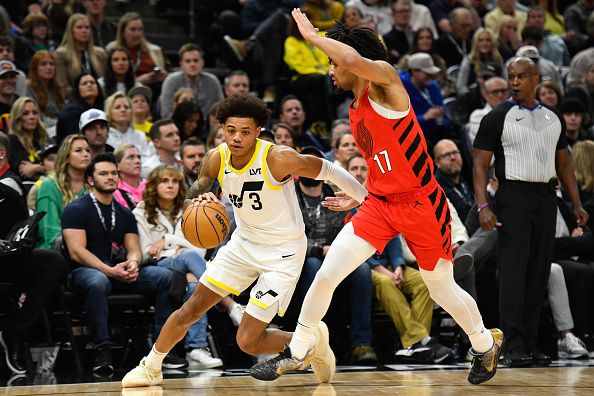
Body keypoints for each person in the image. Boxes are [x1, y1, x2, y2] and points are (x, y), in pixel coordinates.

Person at [252, 10, 503, 386]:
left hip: (421, 204)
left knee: (441, 288)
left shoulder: (386, 82)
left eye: (333, 62)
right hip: (381, 205)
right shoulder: (353, 107)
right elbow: (382, 163)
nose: (332, 70)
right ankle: (299, 351)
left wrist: (312, 36)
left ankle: (484, 344)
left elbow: (354, 59)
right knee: (327, 273)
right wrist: (363, 195)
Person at [121, 92, 367, 388]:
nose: (237, 137)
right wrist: (197, 201)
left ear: (257, 132)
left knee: (248, 341)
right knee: (192, 307)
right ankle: (151, 366)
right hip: (243, 244)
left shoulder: (277, 157)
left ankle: (308, 341)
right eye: (230, 130)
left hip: (283, 253)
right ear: (222, 128)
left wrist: (361, 197)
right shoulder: (216, 158)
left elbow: (326, 168)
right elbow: (193, 193)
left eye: (245, 131)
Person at [472, 57, 588, 367]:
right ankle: (512, 344)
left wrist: (576, 204)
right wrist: (483, 204)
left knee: (538, 271)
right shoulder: (498, 117)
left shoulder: (553, 118)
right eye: (511, 76)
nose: (514, 82)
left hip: (546, 198)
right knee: (513, 272)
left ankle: (533, 342)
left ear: (535, 78)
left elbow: (564, 164)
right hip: (513, 197)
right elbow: (480, 165)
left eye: (521, 76)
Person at [62, 153, 185, 373]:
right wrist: (109, 270)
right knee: (98, 281)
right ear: (91, 180)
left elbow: (134, 248)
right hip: (86, 271)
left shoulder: (124, 212)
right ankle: (103, 350)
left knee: (165, 277)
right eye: (103, 174)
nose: (110, 177)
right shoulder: (76, 209)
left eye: (113, 173)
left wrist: (133, 264)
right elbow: (76, 251)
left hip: (117, 271)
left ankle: (162, 350)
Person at [133, 165, 223, 368]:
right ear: (153, 186)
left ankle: (196, 349)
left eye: (175, 181)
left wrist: (166, 240)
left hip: (187, 270)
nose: (170, 185)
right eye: (164, 181)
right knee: (188, 260)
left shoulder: (190, 211)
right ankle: (228, 303)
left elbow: (200, 249)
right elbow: (145, 251)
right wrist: (178, 247)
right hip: (154, 267)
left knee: (194, 287)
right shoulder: (140, 212)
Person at [0, 182, 66, 375]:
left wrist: (24, 243)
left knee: (52, 261)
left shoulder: (10, 196)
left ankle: (16, 333)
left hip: (5, 263)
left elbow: (25, 231)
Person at [35, 135, 90, 249]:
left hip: (93, 251)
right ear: (66, 157)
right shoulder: (49, 186)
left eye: (88, 150)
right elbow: (50, 233)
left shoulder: (95, 185)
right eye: (78, 150)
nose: (85, 154)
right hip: (57, 254)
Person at [159, 43, 223, 119]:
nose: (192, 64)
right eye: (188, 61)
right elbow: (166, 113)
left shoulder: (212, 81)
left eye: (196, 60)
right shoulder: (171, 80)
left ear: (202, 62)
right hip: (178, 126)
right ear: (181, 64)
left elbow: (221, 110)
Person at [106, 12, 166, 87]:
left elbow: (169, 72)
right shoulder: (112, 49)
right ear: (123, 31)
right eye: (133, 30)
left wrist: (163, 74)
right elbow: (107, 78)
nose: (137, 34)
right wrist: (138, 81)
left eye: (140, 29)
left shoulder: (155, 50)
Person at [53, 13, 106, 98]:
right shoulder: (61, 54)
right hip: (73, 101)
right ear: (71, 31)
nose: (84, 31)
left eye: (87, 27)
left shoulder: (100, 53)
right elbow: (62, 88)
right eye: (79, 27)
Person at [7, 96, 48, 188]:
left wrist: (38, 168)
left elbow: (57, 166)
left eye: (35, 113)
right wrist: (46, 168)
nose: (31, 117)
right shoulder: (12, 141)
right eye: (25, 113)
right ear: (17, 117)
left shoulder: (44, 139)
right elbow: (25, 172)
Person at [434, 139, 474, 224]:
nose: (453, 158)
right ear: (437, 162)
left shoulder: (462, 179)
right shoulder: (436, 189)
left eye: (455, 153)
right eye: (446, 155)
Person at [56, 73, 103, 145]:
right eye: (84, 83)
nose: (89, 85)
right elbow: (76, 139)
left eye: (92, 82)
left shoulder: (101, 108)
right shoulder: (71, 111)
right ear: (77, 89)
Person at [26, 50, 64, 137]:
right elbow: (36, 116)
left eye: (52, 64)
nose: (49, 67)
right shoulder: (28, 87)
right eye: (43, 64)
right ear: (35, 68)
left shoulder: (57, 87)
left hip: (57, 127)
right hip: (40, 129)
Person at [104, 91, 153, 159]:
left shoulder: (140, 135)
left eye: (126, 107)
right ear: (109, 112)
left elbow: (146, 159)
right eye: (118, 107)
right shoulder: (105, 136)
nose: (123, 110)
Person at [466, 77, 509, 145]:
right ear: (486, 96)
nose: (500, 95)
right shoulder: (478, 116)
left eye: (503, 91)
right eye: (495, 92)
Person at [113, 143, 145, 210]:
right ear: (117, 165)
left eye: (139, 157)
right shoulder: (113, 191)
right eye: (131, 157)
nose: (137, 161)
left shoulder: (151, 186)